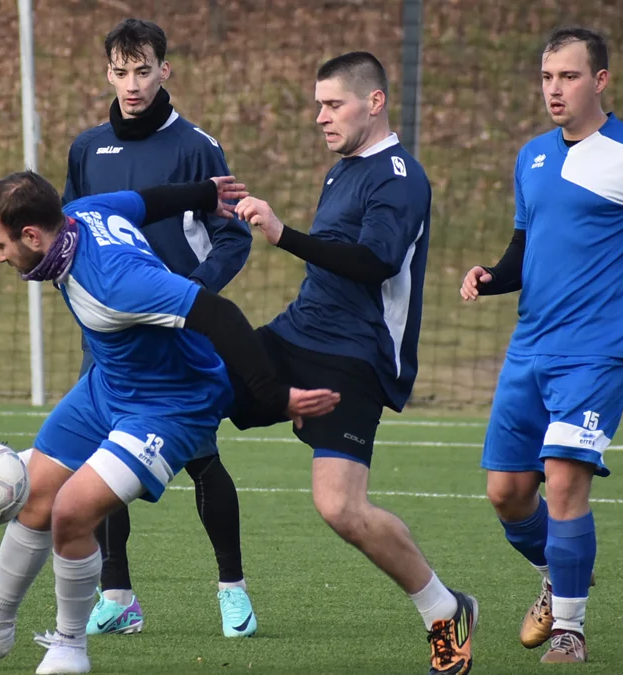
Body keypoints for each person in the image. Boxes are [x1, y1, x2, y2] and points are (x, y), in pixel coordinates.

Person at [0, 171, 339, 675]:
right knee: (35, 491)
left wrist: (275, 395)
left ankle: (70, 647)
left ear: (31, 235)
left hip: (170, 404)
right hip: (109, 384)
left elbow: (218, 316)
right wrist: (204, 195)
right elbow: (148, 198)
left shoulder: (117, 281)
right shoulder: (85, 212)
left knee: (71, 513)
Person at [0, 18, 258, 638]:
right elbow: (62, 228)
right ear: (107, 72)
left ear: (165, 70)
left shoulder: (196, 146)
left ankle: (232, 588)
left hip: (177, 333)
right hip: (107, 337)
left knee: (205, 465)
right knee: (93, 472)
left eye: (143, 70)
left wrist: (189, 298)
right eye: (120, 71)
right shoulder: (87, 147)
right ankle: (118, 594)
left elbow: (232, 234)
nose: (131, 84)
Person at [459, 26, 623, 664]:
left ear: (600, 81)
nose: (555, 89)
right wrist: (491, 277)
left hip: (598, 353)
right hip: (530, 348)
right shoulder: (532, 157)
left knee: (562, 480)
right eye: (548, 77)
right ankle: (561, 572)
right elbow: (526, 250)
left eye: (570, 76)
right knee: (505, 493)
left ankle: (569, 631)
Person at [230, 51, 478, 675]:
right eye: (318, 104)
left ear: (375, 102)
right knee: (192, 374)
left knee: (340, 509)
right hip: (300, 332)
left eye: (333, 103)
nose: (320, 116)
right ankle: (42, 479)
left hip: (355, 357)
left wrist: (285, 235)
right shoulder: (342, 171)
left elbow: (375, 264)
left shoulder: (400, 176)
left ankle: (444, 609)